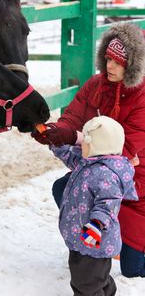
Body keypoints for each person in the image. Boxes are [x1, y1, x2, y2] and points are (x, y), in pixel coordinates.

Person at [31, 22, 145, 278]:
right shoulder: (96, 84)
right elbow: (73, 115)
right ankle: (91, 244)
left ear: (133, 66)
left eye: (118, 62)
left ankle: (116, 240)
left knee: (133, 271)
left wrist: (76, 137)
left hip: (135, 181)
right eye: (108, 59)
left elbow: (123, 149)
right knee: (63, 188)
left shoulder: (142, 97)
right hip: (98, 171)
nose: (110, 66)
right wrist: (57, 132)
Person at [49, 115, 137, 296]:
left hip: (94, 239)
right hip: (82, 238)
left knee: (86, 285)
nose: (81, 145)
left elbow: (107, 205)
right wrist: (54, 142)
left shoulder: (106, 174)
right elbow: (68, 155)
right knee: (94, 277)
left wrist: (96, 226)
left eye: (85, 141)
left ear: (97, 146)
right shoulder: (88, 161)